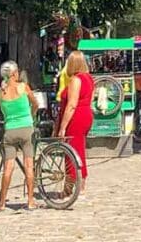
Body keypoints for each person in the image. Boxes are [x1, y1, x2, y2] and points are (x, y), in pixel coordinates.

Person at [0, 61, 39, 211]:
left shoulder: (0, 92)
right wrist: (30, 115)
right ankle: (31, 201)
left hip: (10, 131)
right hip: (26, 129)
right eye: (17, 71)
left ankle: (2, 203)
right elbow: (35, 104)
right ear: (14, 74)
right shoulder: (24, 87)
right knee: (29, 165)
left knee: (8, 168)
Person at [54, 51, 93, 192]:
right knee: (79, 149)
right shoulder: (88, 78)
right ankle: (78, 184)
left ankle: (72, 186)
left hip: (76, 117)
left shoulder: (76, 80)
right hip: (86, 114)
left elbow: (71, 104)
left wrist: (63, 126)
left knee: (71, 151)